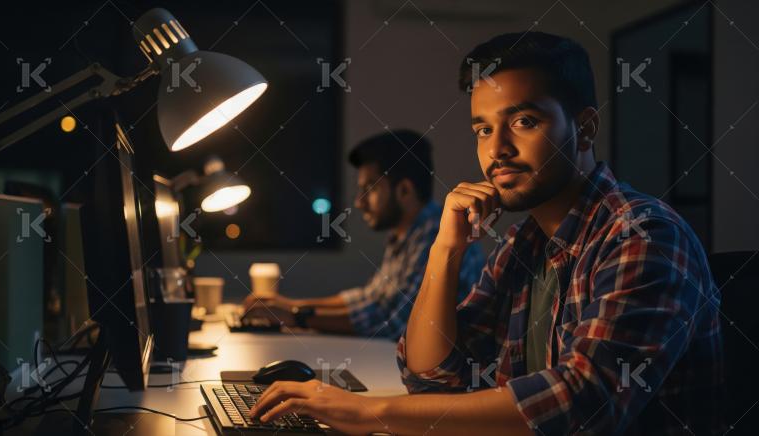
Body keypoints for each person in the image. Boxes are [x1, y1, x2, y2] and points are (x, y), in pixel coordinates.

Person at [247, 31, 725, 435]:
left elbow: (584, 403)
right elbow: (432, 376)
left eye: (523, 121)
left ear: (584, 129)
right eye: (482, 129)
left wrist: (371, 411)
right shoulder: (524, 244)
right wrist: (445, 249)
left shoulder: (642, 236)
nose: (497, 150)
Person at [241, 130, 485, 340]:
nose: (359, 202)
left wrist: (295, 317)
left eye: (370, 188)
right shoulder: (408, 234)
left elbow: (393, 326)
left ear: (404, 190)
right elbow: (372, 299)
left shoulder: (435, 236)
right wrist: (289, 305)